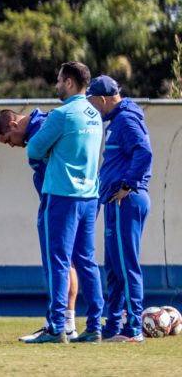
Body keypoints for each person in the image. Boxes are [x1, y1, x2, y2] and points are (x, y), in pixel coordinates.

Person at [26, 61, 104, 344]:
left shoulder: (61, 115)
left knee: (58, 260)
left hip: (63, 195)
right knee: (87, 261)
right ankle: (95, 326)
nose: (56, 85)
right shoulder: (95, 115)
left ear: (70, 82)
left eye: (59, 80)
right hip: (90, 196)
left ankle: (57, 326)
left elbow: (33, 147)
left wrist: (50, 152)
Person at [0, 109, 79, 341]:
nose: (10, 145)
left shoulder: (42, 129)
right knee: (67, 263)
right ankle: (67, 323)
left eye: (8, 139)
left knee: (56, 264)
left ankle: (55, 324)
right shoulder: (42, 125)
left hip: (57, 201)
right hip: (64, 200)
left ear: (12, 124)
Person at [86, 75, 152, 343]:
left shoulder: (125, 120)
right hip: (115, 202)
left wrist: (129, 184)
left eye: (93, 103)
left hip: (126, 200)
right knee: (113, 267)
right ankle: (113, 326)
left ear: (103, 99)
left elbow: (144, 151)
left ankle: (133, 328)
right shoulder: (118, 121)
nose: (93, 110)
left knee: (126, 266)